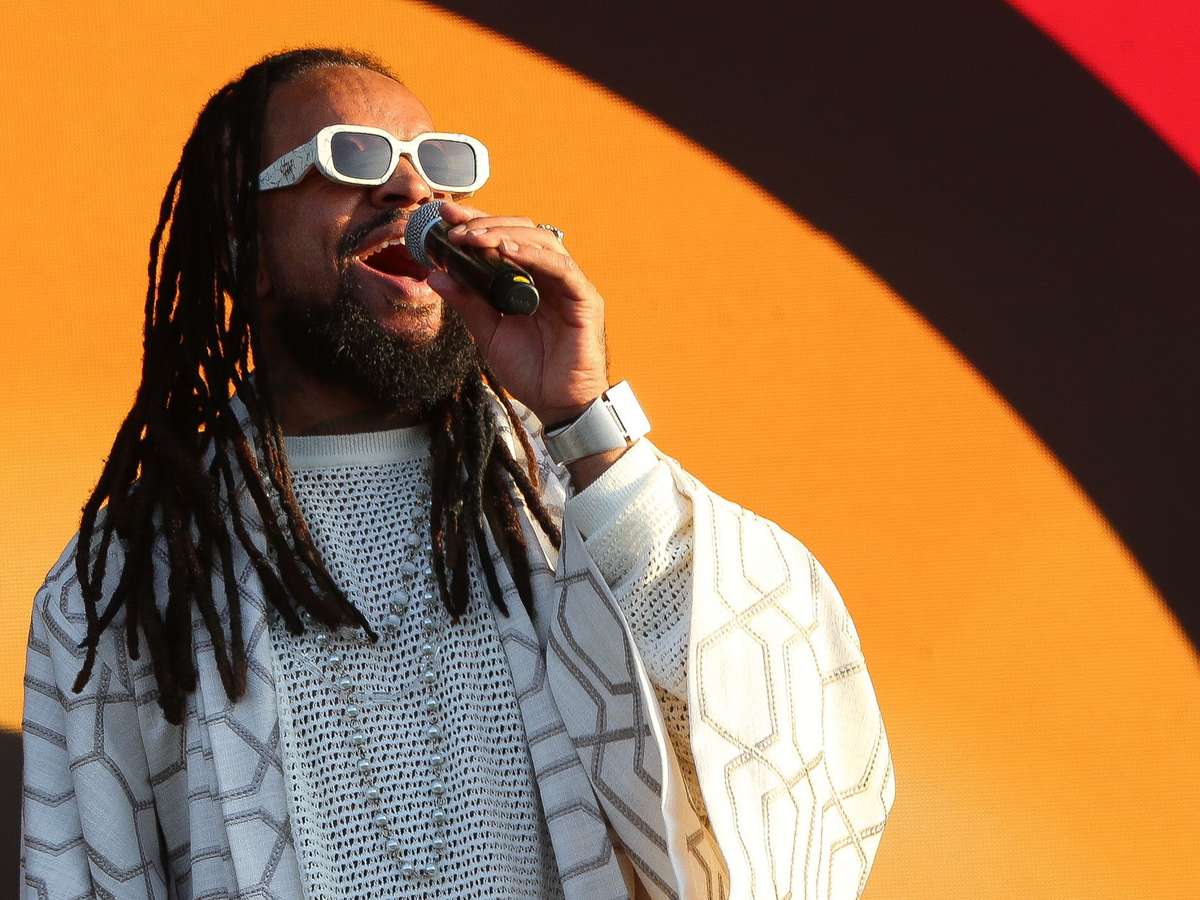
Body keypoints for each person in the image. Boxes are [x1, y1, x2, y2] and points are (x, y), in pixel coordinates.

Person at [19, 47, 895, 899]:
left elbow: (773, 726)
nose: (410, 188)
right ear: (247, 245)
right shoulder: (130, 587)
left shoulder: (563, 496)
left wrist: (586, 425)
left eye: (436, 162)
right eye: (350, 157)